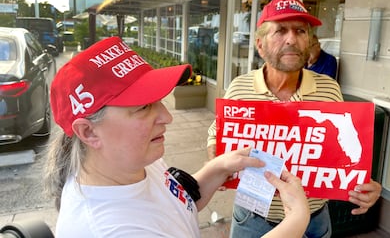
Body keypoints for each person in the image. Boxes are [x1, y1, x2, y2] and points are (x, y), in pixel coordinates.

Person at [43, 36, 310, 238]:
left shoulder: (131, 162)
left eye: (158, 101)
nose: (166, 117)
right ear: (88, 131)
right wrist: (295, 222)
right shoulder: (111, 230)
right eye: (143, 107)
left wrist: (217, 168)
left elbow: (178, 204)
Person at [206, 0, 382, 238]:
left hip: (313, 218)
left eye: (300, 31)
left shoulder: (329, 89)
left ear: (308, 42)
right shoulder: (240, 88)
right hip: (253, 217)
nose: (291, 39)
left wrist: (360, 182)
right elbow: (216, 136)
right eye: (280, 31)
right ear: (260, 45)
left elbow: (337, 149)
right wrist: (218, 163)